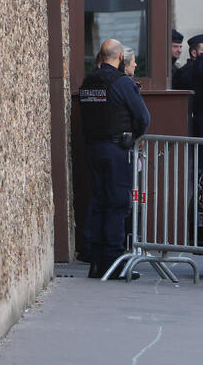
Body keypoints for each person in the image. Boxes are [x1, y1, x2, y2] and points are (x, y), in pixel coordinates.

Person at [79, 39, 150, 279]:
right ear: (120, 57)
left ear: (101, 56)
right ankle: (113, 262)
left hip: (93, 148)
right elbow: (143, 117)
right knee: (118, 203)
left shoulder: (89, 82)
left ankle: (95, 260)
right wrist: (136, 136)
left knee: (99, 201)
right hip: (117, 149)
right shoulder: (122, 82)